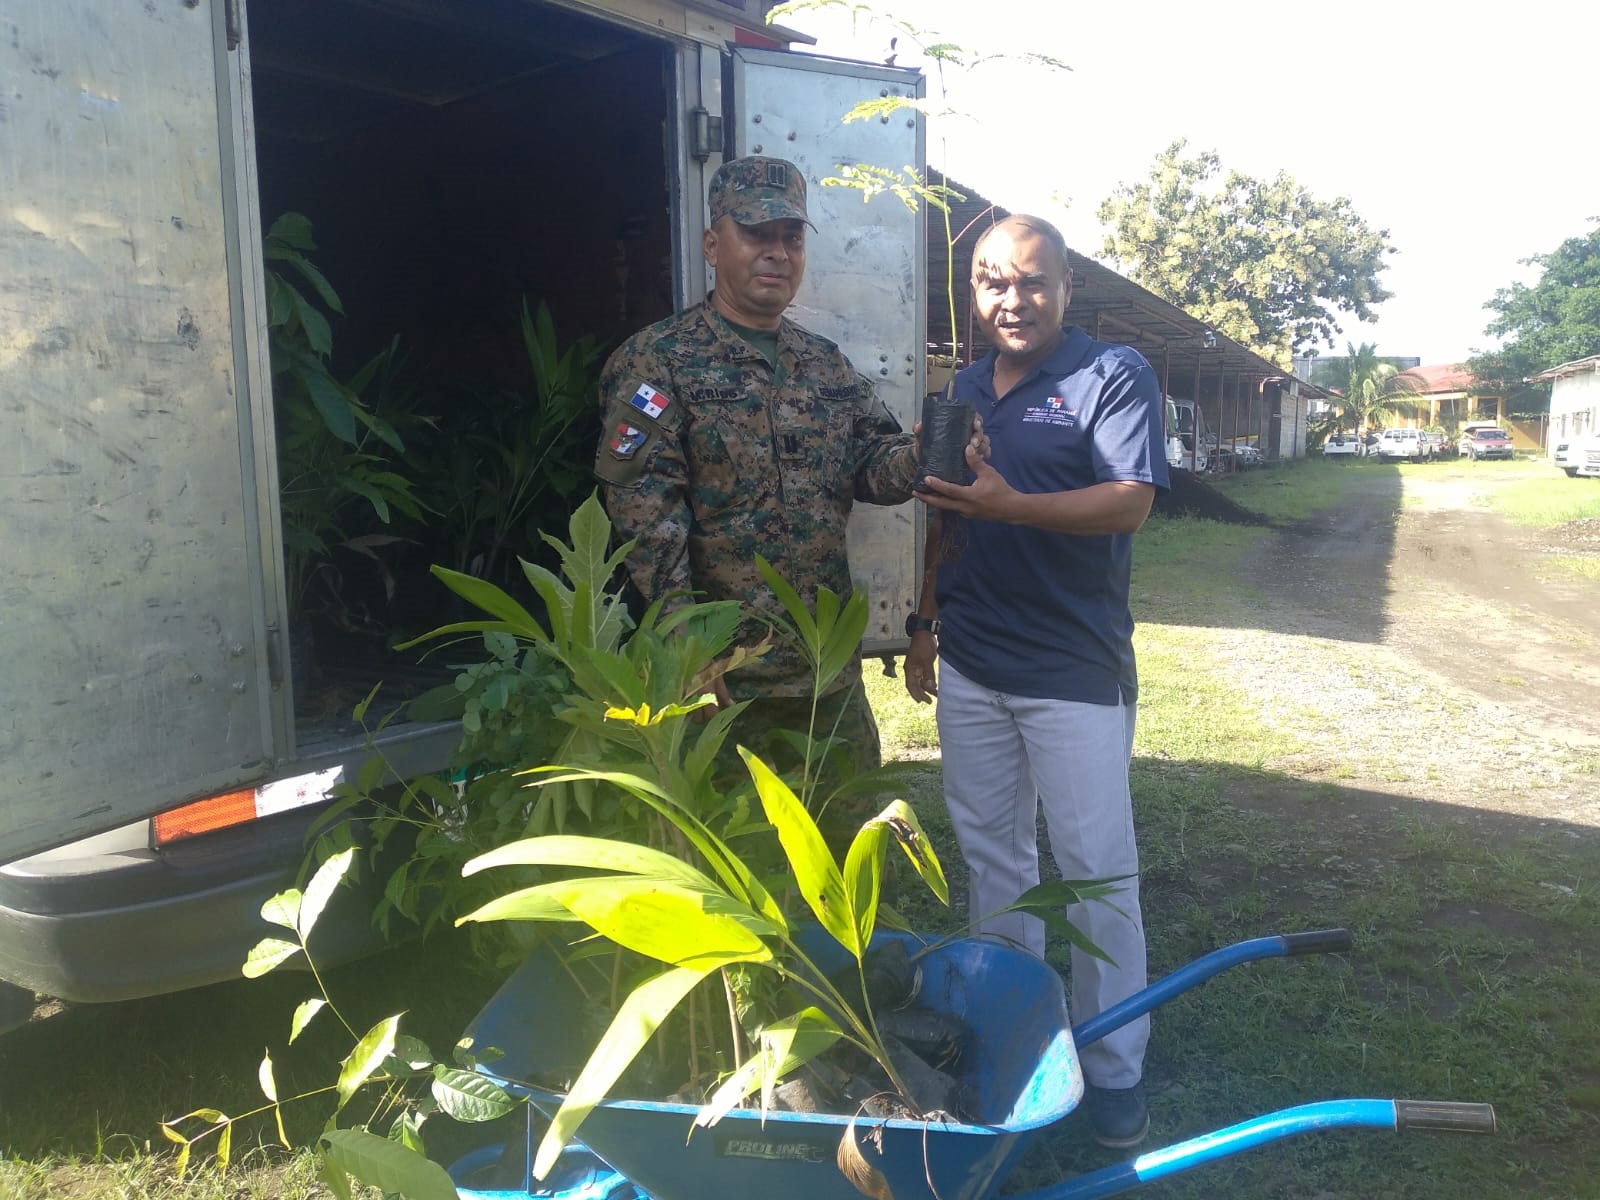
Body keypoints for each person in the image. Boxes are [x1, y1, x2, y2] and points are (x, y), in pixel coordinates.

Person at [594, 155, 981, 797]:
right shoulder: (658, 362)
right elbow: (645, 516)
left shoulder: (824, 365)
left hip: (826, 671)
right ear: (713, 245)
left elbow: (874, 466)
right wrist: (686, 643)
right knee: (734, 852)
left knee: (847, 841)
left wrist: (924, 455)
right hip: (724, 679)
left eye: (791, 237)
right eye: (756, 234)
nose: (777, 252)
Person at [904, 214, 1170, 1148]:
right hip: (974, 661)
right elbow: (950, 514)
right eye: (991, 281)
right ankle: (1009, 1032)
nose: (1010, 299)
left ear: (1064, 288)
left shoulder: (1112, 375)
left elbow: (1130, 502)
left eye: (1029, 281)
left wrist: (1012, 504)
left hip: (1072, 673)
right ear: (973, 291)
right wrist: (925, 623)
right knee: (994, 861)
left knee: (1098, 877)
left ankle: (1114, 1067)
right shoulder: (966, 387)